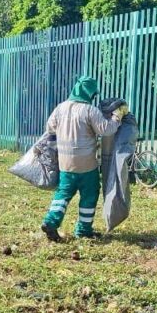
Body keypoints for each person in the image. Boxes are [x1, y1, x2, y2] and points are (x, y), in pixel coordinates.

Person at [40, 76, 124, 241]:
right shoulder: (89, 110)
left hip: (65, 164)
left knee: (63, 193)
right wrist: (117, 116)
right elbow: (106, 130)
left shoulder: (60, 108)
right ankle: (84, 230)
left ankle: (51, 221)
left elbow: (49, 128)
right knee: (90, 193)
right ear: (89, 93)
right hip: (86, 164)